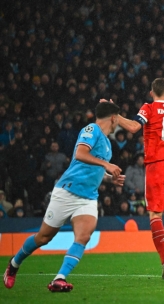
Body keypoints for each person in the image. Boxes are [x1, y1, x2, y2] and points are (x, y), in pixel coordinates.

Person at [3, 102, 124, 291]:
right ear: (113, 118)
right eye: (118, 118)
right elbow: (80, 154)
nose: (119, 123)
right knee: (43, 237)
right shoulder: (91, 129)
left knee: (83, 236)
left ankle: (59, 279)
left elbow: (93, 170)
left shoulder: (107, 143)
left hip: (88, 197)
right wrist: (106, 165)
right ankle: (14, 264)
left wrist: (109, 179)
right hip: (67, 191)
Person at [101, 77, 164, 280]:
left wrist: (115, 114)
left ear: (151, 93)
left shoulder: (148, 108)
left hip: (156, 166)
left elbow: (133, 127)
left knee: (156, 215)